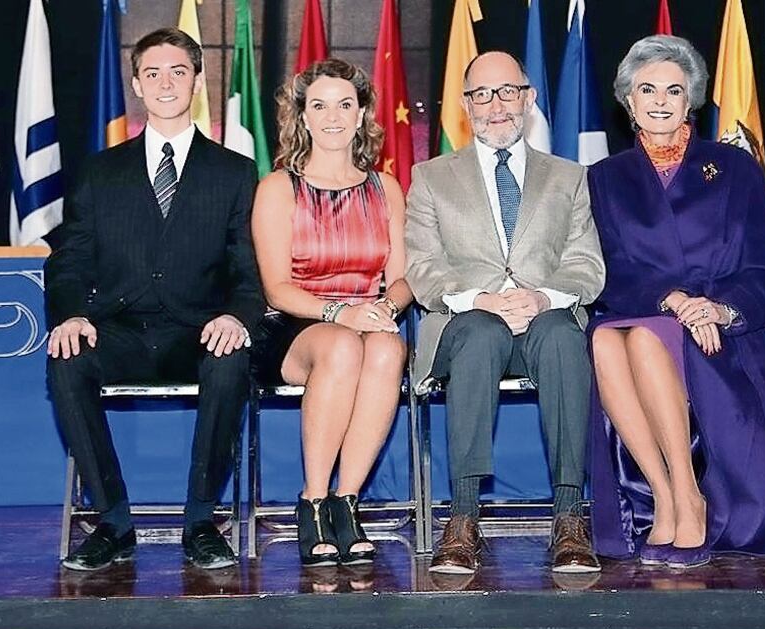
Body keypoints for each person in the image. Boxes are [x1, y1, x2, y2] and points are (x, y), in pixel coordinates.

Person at [45, 28, 263, 571]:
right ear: (137, 85)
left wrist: (237, 316)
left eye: (178, 72)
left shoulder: (235, 172)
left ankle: (201, 520)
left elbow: (248, 266)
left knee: (232, 360)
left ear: (196, 80)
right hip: (116, 330)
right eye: (152, 73)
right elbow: (69, 258)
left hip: (198, 331)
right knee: (67, 362)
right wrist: (71, 314)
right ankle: (113, 522)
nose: (165, 83)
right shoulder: (99, 171)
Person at [586, 35, 765, 569]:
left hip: (719, 335)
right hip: (650, 312)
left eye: (673, 90)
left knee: (643, 340)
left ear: (691, 101)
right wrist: (673, 300)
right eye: (647, 89)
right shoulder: (603, 179)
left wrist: (720, 309)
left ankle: (689, 495)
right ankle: (666, 491)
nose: (660, 100)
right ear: (628, 101)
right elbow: (608, 272)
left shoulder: (734, 168)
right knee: (607, 337)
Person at [405, 51, 605, 575]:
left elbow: (587, 266)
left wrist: (542, 297)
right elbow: (423, 268)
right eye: (481, 94)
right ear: (465, 104)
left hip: (546, 318)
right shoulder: (429, 177)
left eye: (507, 91)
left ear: (529, 97)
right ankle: (463, 518)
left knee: (565, 338)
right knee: (478, 335)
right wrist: (480, 299)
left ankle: (569, 517)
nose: (496, 105)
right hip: (466, 320)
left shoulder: (569, 177)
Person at [250, 58, 410, 567]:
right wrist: (342, 312)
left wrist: (383, 308)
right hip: (295, 325)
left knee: (388, 347)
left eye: (346, 104)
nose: (334, 116)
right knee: (343, 345)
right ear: (302, 115)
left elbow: (403, 277)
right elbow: (276, 289)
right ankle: (312, 501)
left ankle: (348, 501)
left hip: (366, 318)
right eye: (319, 105)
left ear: (362, 113)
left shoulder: (385, 188)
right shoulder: (278, 187)